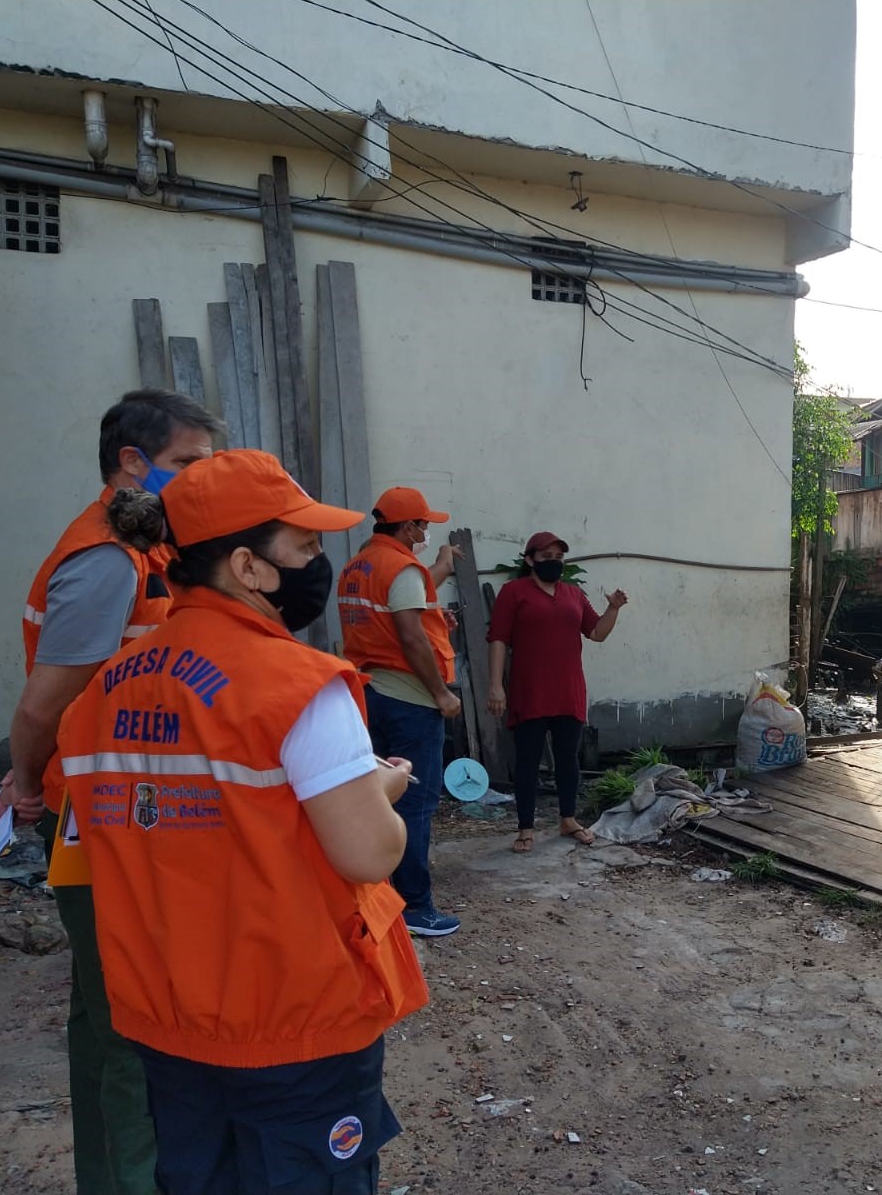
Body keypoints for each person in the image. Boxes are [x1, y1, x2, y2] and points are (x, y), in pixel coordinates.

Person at [57, 449, 429, 1194]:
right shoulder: (297, 683)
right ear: (248, 567)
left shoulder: (101, 694)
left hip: (170, 1018)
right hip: (292, 1017)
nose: (319, 562)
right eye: (305, 546)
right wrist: (381, 793)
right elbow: (365, 856)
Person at [0, 387, 221, 1195]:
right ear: (133, 464)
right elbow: (44, 703)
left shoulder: (141, 551)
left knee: (103, 1020)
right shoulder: (104, 562)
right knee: (132, 1022)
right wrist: (27, 784)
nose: (198, 479)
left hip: (110, 805)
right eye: (185, 464)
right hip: (98, 818)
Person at [338, 487, 463, 937]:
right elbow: (409, 638)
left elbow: (388, 625)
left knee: (375, 798)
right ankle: (415, 907)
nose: (426, 532)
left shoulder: (357, 565)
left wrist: (434, 623)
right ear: (408, 527)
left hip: (368, 693)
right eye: (423, 525)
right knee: (414, 803)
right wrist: (442, 693)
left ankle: (376, 896)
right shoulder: (403, 567)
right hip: (410, 699)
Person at [487, 531, 628, 853]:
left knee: (568, 759)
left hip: (568, 690)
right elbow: (498, 640)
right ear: (530, 560)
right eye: (546, 557)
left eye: (559, 558)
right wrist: (496, 686)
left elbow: (596, 633)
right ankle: (525, 828)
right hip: (530, 691)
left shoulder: (573, 594)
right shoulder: (513, 592)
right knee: (528, 761)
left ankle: (568, 819)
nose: (553, 563)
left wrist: (614, 609)